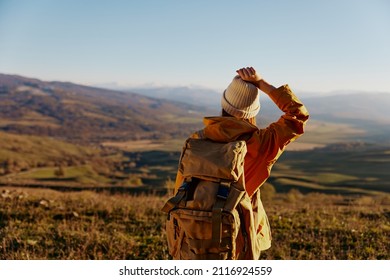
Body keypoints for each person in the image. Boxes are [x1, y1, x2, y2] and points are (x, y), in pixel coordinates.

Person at [172, 66, 309, 256]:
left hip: (192, 238)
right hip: (239, 238)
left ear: (223, 105)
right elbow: (298, 115)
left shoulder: (197, 141)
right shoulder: (261, 146)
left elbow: (180, 190)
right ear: (252, 112)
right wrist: (262, 84)